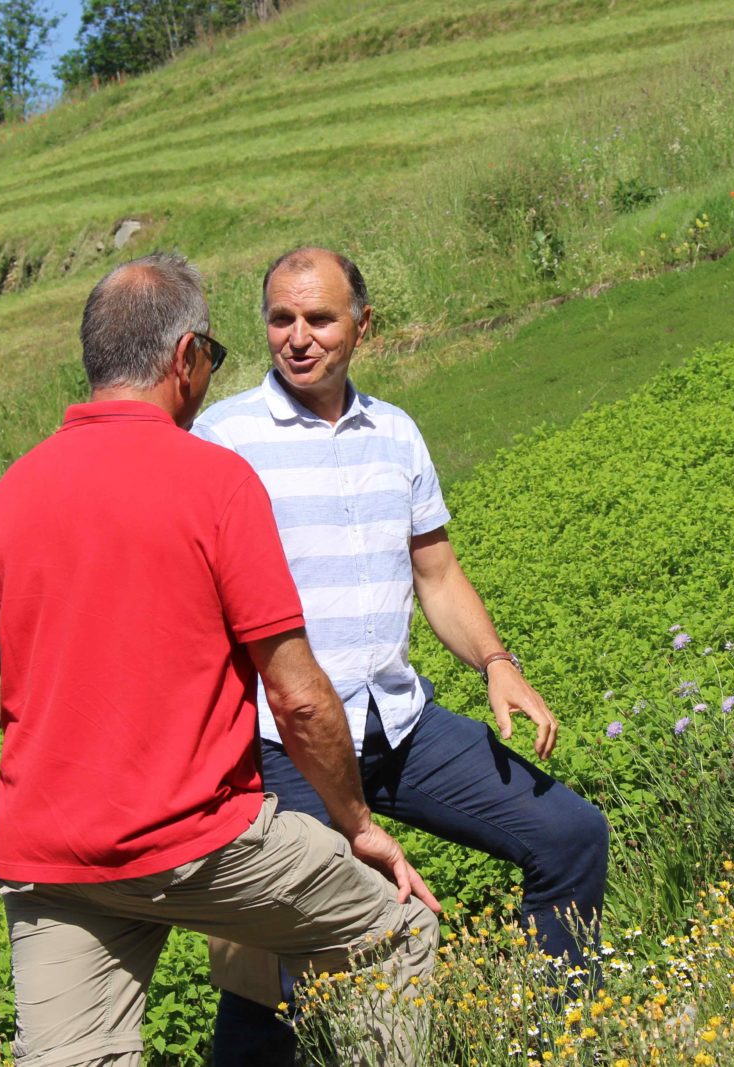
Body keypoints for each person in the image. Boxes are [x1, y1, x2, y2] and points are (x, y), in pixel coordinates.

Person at [0, 251, 439, 1067]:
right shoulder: (215, 479)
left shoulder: (10, 494)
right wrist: (357, 825)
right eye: (210, 353)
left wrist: (85, 687)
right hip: (198, 840)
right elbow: (300, 696)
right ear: (184, 358)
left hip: (55, 857)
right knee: (397, 932)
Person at [193, 247, 610, 1065]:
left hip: (399, 724)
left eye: (319, 318)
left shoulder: (395, 432)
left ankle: (560, 1041)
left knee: (570, 835)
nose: (299, 337)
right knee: (286, 967)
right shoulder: (223, 438)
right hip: (289, 747)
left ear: (362, 325)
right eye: (282, 319)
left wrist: (496, 660)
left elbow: (438, 572)